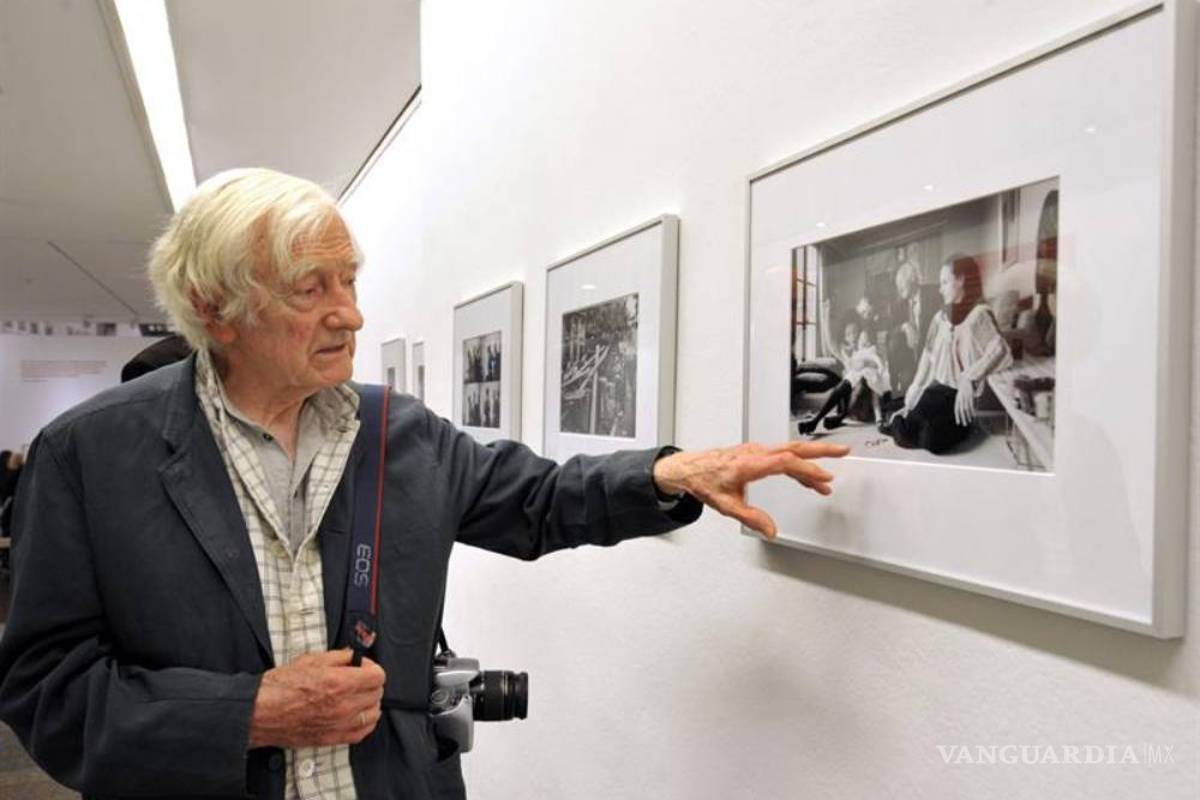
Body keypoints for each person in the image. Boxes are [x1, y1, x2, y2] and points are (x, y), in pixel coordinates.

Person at [0, 168, 848, 800]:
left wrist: (672, 474)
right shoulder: (89, 455)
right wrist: (249, 712)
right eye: (312, 287)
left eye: (350, 280)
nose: (351, 313)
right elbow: (46, 688)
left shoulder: (399, 433)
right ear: (213, 305)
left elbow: (540, 500)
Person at [883, 253, 1012, 454]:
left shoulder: (979, 314)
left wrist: (969, 378)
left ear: (961, 280)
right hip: (937, 390)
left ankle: (903, 420)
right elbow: (927, 355)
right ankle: (901, 415)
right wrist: (915, 387)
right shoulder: (940, 318)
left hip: (959, 397)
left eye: (944, 282)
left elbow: (1000, 348)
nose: (940, 289)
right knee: (907, 431)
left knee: (931, 440)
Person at [797, 298, 890, 435]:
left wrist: (870, 363)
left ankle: (841, 416)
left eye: (855, 332)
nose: (853, 336)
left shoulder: (868, 348)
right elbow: (831, 343)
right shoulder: (846, 353)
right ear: (845, 337)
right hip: (851, 402)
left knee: (861, 380)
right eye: (849, 334)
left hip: (866, 403)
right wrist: (825, 317)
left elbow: (879, 370)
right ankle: (815, 422)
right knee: (845, 382)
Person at [886, 253, 940, 397]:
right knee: (894, 341)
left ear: (913, 279)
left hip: (931, 351)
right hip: (910, 357)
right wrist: (904, 326)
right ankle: (894, 388)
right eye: (897, 283)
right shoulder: (898, 306)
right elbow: (890, 332)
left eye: (902, 281)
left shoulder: (933, 294)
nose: (899, 286)